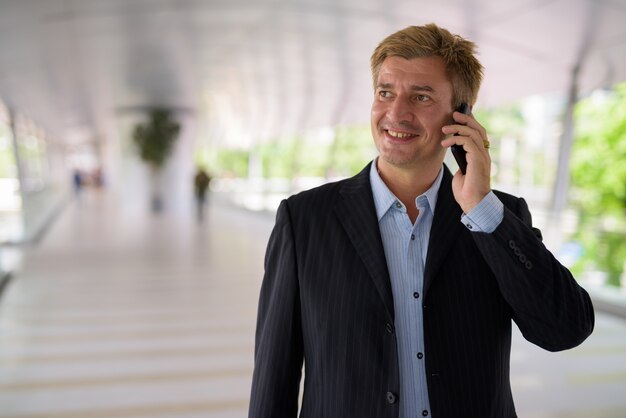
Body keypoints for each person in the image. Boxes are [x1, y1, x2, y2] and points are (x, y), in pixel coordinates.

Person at [248, 23, 594, 418]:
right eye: (385, 93)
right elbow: (274, 376)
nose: (396, 113)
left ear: (460, 117)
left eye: (421, 96)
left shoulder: (497, 219)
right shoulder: (304, 220)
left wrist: (481, 208)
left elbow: (565, 330)